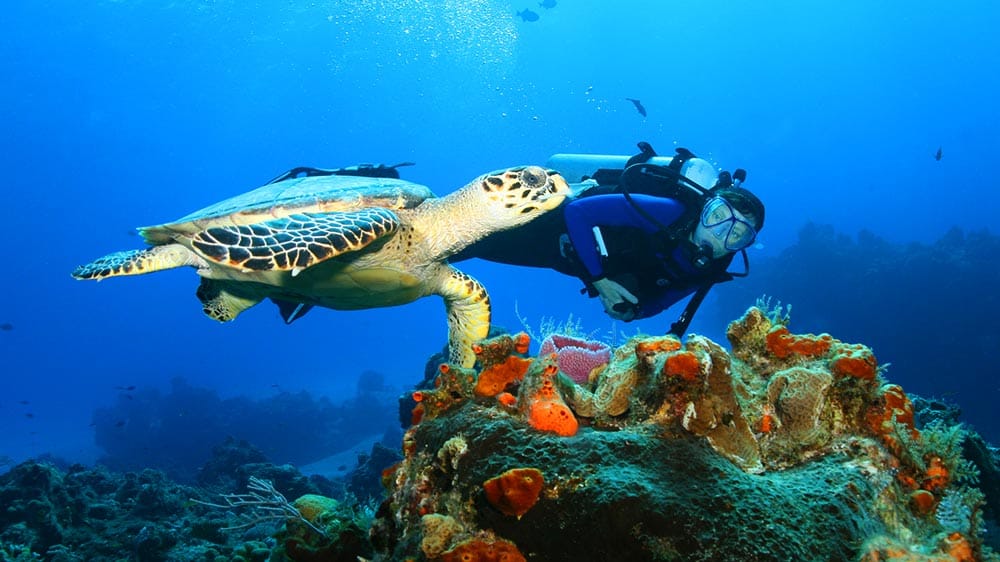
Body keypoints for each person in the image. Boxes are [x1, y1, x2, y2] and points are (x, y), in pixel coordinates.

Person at [452, 142, 765, 337]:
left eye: (737, 235)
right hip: (551, 225)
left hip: (564, 258)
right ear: (704, 210)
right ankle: (410, 210)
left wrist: (633, 311)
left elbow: (666, 300)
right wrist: (601, 280)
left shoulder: (711, 267)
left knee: (470, 246)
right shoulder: (669, 212)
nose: (721, 234)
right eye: (717, 217)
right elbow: (577, 213)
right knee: (469, 239)